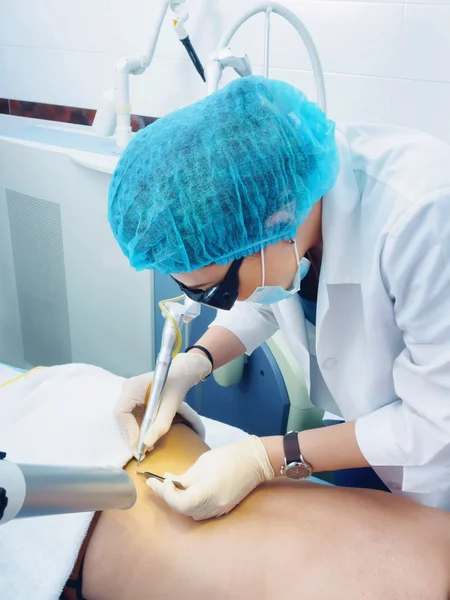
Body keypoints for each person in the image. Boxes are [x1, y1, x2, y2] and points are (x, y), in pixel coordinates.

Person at [108, 75, 450, 519]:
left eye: (219, 289)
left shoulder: (423, 218)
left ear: (276, 221)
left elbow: (434, 420)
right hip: (377, 442)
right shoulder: (284, 212)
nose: (220, 303)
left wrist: (267, 457)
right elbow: (267, 294)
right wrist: (193, 363)